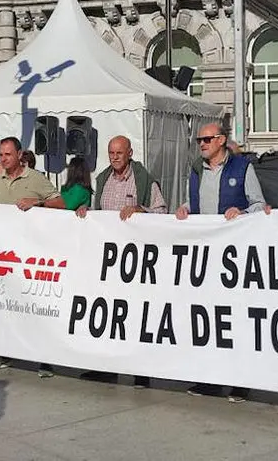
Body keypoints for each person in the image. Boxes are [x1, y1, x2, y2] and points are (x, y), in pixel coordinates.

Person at [176, 123, 270, 403]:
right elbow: (197, 203)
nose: (201, 143)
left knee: (236, 318)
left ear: (221, 140)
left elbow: (258, 204)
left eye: (206, 139)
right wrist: (185, 208)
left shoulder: (242, 168)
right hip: (206, 257)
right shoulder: (196, 170)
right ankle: (211, 378)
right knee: (208, 318)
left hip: (234, 258)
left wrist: (240, 211)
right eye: (199, 140)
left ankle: (241, 382)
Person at [0, 136, 65, 377]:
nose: (3, 159)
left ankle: (45, 359)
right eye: (1, 155)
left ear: (20, 155)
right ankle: (3, 353)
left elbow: (61, 203)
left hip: (31, 258)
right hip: (6, 260)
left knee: (36, 307)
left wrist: (38, 202)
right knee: (5, 307)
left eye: (8, 154)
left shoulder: (35, 178)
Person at [76, 135, 167, 388]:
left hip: (136, 262)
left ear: (130, 153)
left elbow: (161, 211)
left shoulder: (143, 179)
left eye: (119, 153)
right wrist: (87, 213)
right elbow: (100, 217)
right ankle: (106, 368)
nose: (115, 157)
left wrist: (141, 210)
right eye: (111, 153)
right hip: (108, 263)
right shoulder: (103, 179)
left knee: (136, 316)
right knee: (108, 315)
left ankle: (141, 373)